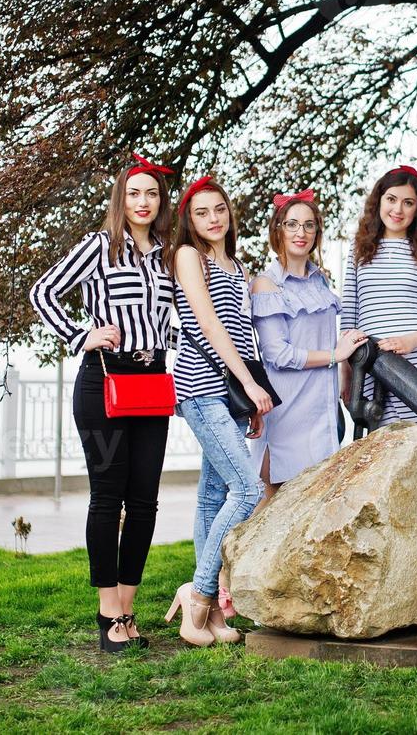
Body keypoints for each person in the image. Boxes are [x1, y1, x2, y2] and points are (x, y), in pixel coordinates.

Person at [29, 152, 176, 654]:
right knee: (107, 497)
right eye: (134, 193)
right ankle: (107, 611)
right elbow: (43, 292)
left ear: (161, 202)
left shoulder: (166, 254)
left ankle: (129, 611)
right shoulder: (97, 247)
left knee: (144, 501)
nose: (143, 201)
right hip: (105, 384)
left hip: (153, 380)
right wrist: (81, 334)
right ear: (121, 198)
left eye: (152, 193)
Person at [164, 175, 272, 647]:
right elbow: (206, 322)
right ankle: (201, 594)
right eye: (202, 212)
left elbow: (243, 333)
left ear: (230, 214)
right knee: (246, 490)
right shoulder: (189, 256)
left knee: (213, 495)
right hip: (200, 387)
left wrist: (252, 394)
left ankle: (209, 615)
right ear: (190, 219)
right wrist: (246, 383)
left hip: (230, 392)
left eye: (220, 210)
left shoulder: (236, 263)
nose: (213, 218)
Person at [250, 189, 366, 499]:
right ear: (279, 230)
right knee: (272, 501)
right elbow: (277, 353)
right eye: (292, 224)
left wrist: (344, 369)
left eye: (309, 225)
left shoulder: (321, 281)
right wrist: (334, 355)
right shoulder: (267, 283)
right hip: (287, 408)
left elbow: (332, 340)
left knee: (311, 503)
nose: (301, 233)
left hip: (323, 408)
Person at [340, 165, 417, 426]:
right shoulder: (359, 251)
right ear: (379, 201)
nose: (398, 210)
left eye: (408, 202)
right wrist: (345, 373)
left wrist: (413, 340)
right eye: (391, 199)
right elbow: (348, 320)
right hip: (371, 371)